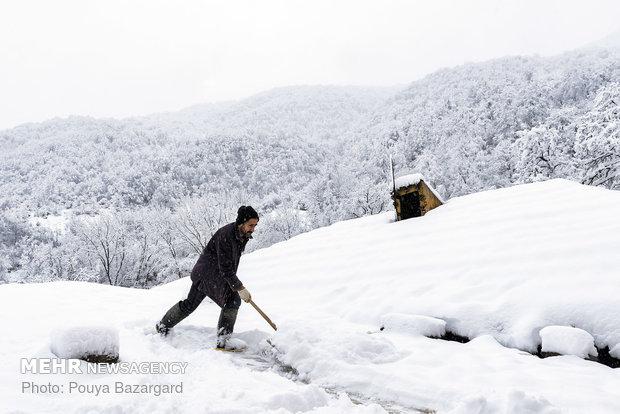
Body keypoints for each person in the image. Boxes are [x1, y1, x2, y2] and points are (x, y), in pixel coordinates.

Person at [155, 205, 259, 351]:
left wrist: (235, 284)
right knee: (191, 304)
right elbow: (225, 267)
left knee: (231, 301)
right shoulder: (226, 236)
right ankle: (163, 326)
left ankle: (223, 341)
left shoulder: (241, 235)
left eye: (255, 225)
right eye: (250, 225)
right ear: (241, 223)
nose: (253, 229)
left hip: (218, 276)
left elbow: (229, 264)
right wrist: (240, 287)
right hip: (206, 275)